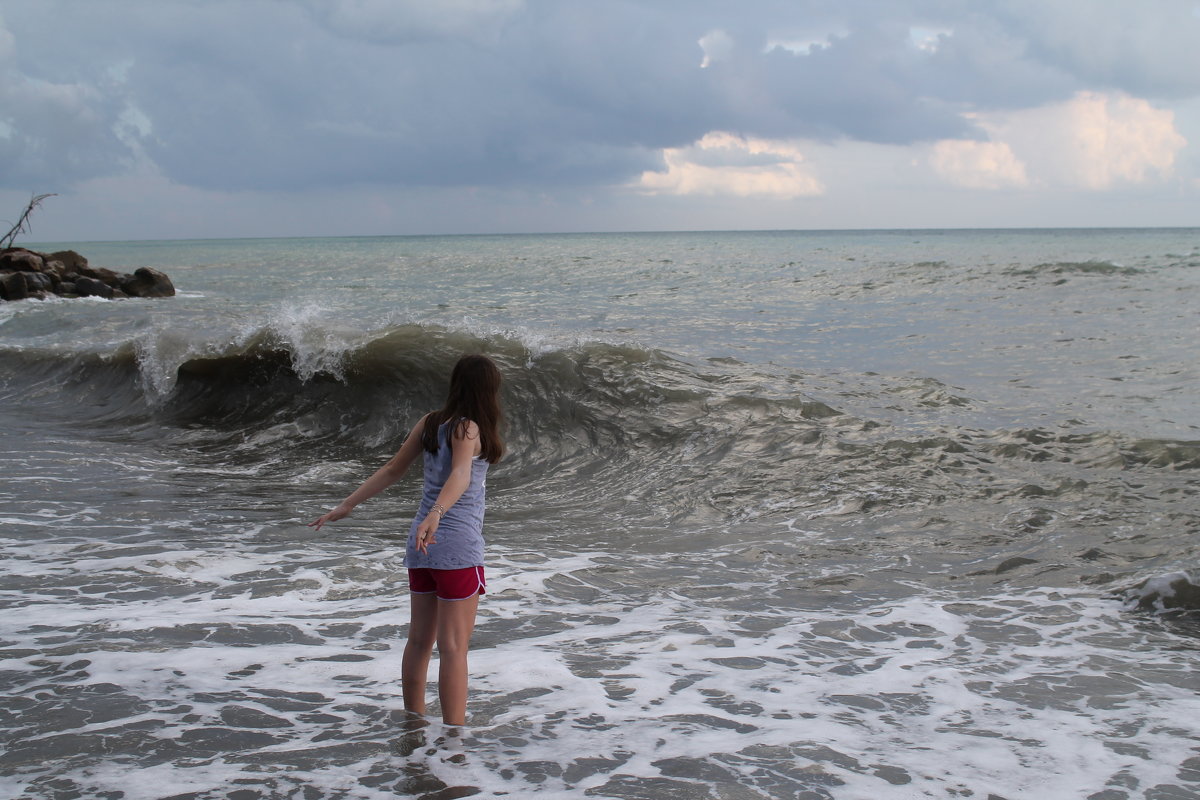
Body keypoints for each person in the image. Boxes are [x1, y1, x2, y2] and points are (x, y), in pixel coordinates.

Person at [310, 354, 504, 726]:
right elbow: (462, 474)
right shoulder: (469, 429)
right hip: (456, 546)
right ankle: (454, 737)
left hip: (420, 546)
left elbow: (392, 469)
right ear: (488, 390)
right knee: (453, 648)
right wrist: (437, 514)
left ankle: (414, 720)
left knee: (419, 642)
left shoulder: (431, 423)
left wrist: (347, 504)